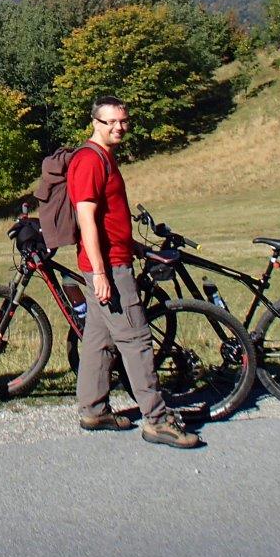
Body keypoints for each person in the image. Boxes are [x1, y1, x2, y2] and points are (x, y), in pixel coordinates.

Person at [69, 96, 198, 449]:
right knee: (137, 341)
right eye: (111, 121)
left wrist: (134, 246)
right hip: (108, 268)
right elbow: (87, 220)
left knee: (99, 340)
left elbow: (109, 220)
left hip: (113, 259)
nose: (118, 127)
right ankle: (157, 420)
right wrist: (100, 272)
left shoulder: (105, 157)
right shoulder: (90, 160)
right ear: (95, 122)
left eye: (123, 121)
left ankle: (93, 410)